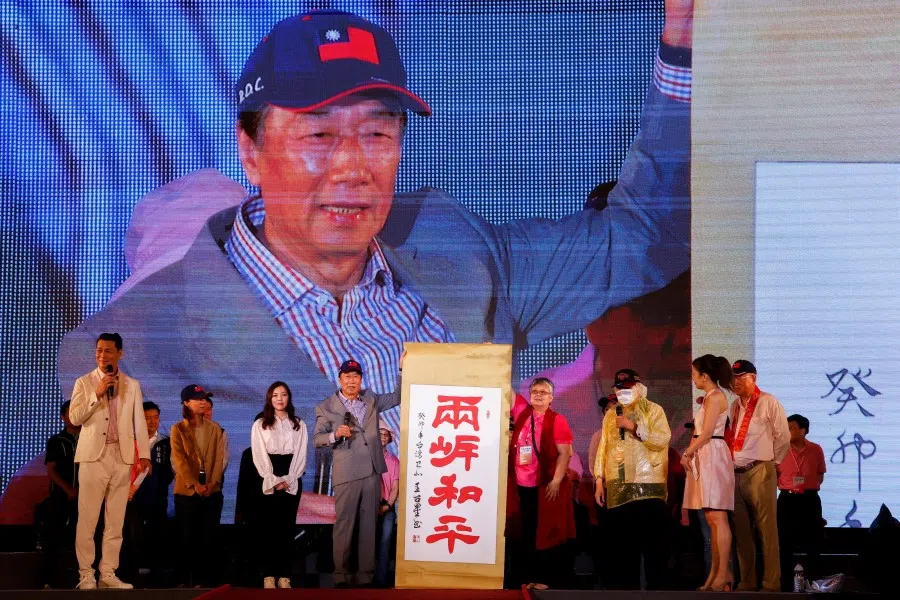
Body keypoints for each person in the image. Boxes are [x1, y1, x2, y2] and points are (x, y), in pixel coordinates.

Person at [56, 4, 694, 505]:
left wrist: (682, 55)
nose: (352, 168)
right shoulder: (131, 344)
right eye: (319, 134)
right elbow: (151, 492)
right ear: (249, 151)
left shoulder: (451, 246)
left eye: (377, 134)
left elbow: (641, 242)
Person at [68, 333, 151, 590]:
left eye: (108, 351)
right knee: (88, 519)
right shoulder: (84, 382)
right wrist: (97, 393)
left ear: (120, 354)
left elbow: (139, 419)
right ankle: (85, 574)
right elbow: (75, 418)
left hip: (123, 456)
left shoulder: (132, 385)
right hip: (94, 457)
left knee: (116, 521)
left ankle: (108, 572)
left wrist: (144, 453)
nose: (102, 355)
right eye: (99, 350)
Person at [314, 359, 401, 588]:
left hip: (372, 471)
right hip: (347, 473)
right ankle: (341, 575)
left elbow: (397, 397)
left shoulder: (371, 399)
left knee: (368, 525)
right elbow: (317, 439)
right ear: (339, 378)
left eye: (356, 376)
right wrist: (334, 434)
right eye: (347, 376)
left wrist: (402, 369)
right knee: (345, 524)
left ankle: (366, 576)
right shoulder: (327, 406)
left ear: (361, 379)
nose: (352, 381)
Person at [593, 369, 671, 590]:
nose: (622, 392)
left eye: (626, 388)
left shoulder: (654, 410)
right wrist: (599, 479)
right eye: (619, 388)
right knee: (623, 551)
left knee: (654, 551)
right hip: (619, 488)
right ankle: (625, 593)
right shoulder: (611, 415)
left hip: (649, 486)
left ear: (638, 387)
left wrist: (633, 427)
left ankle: (657, 593)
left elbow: (662, 440)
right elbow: (603, 447)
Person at [726, 359, 790, 592]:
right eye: (734, 378)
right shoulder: (734, 406)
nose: (737, 382)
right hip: (736, 472)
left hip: (760, 469)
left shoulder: (768, 402)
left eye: (742, 377)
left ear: (754, 378)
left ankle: (771, 582)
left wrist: (774, 462)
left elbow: (782, 436)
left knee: (767, 530)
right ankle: (746, 580)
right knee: (742, 532)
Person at [506, 378, 575, 590]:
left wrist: (555, 481)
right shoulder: (522, 412)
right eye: (534, 391)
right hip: (520, 486)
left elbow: (565, 453)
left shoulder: (557, 419)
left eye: (543, 392)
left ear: (551, 398)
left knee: (545, 533)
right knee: (523, 533)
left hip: (545, 485)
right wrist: (492, 355)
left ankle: (545, 579)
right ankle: (524, 579)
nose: (538, 395)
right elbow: (506, 390)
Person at [682, 355, 735, 591]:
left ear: (705, 376)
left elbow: (706, 434)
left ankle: (724, 573)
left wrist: (687, 453)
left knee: (718, 516)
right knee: (711, 519)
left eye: (694, 374)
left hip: (712, 453)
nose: (693, 379)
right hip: (705, 454)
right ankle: (715, 574)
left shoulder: (715, 397)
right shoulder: (708, 399)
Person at [250, 381, 308, 589]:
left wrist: (289, 479)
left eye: (283, 394)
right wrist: (273, 479)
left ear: (289, 398)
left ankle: (285, 575)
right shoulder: (261, 424)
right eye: (275, 395)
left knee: (286, 528)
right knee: (268, 529)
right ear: (269, 398)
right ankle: (268, 575)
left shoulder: (299, 424)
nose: (280, 398)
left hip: (291, 476)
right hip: (268, 476)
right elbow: (258, 454)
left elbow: (301, 454)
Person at [170, 384, 227, 588]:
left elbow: (219, 460)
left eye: (205, 398)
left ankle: (205, 582)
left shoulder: (215, 428)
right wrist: (195, 484)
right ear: (186, 403)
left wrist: (212, 484)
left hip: (212, 492)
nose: (203, 402)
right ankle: (184, 581)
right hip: (186, 493)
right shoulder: (178, 429)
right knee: (187, 537)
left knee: (208, 538)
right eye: (198, 399)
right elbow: (180, 461)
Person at [121, 401, 174, 586]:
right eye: (147, 419)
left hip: (158, 497)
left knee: (158, 535)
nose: (152, 422)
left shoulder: (166, 442)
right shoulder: (130, 442)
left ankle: (157, 578)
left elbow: (170, 470)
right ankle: (130, 575)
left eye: (155, 418)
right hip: (133, 497)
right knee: (133, 535)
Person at [777, 413, 826, 591]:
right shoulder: (780, 448)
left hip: (809, 499)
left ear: (803, 431)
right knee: (784, 541)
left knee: (813, 541)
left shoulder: (816, 449)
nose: (788, 431)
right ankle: (785, 584)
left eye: (792, 428)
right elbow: (774, 473)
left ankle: (814, 581)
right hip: (787, 498)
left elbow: (820, 473)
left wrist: (808, 487)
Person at [39, 400, 81, 588]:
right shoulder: (56, 441)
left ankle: (81, 579)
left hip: (86, 497)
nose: (73, 416)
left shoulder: (90, 438)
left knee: (81, 540)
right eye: (69, 413)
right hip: (60, 496)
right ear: (63, 416)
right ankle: (48, 580)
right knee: (52, 537)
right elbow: (51, 470)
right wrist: (68, 489)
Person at [375, 420, 400, 588]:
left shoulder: (394, 461)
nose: (383, 437)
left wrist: (387, 506)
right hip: (368, 506)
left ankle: (381, 582)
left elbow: (395, 487)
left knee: (385, 543)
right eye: (380, 434)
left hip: (387, 507)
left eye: (386, 435)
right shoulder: (366, 458)